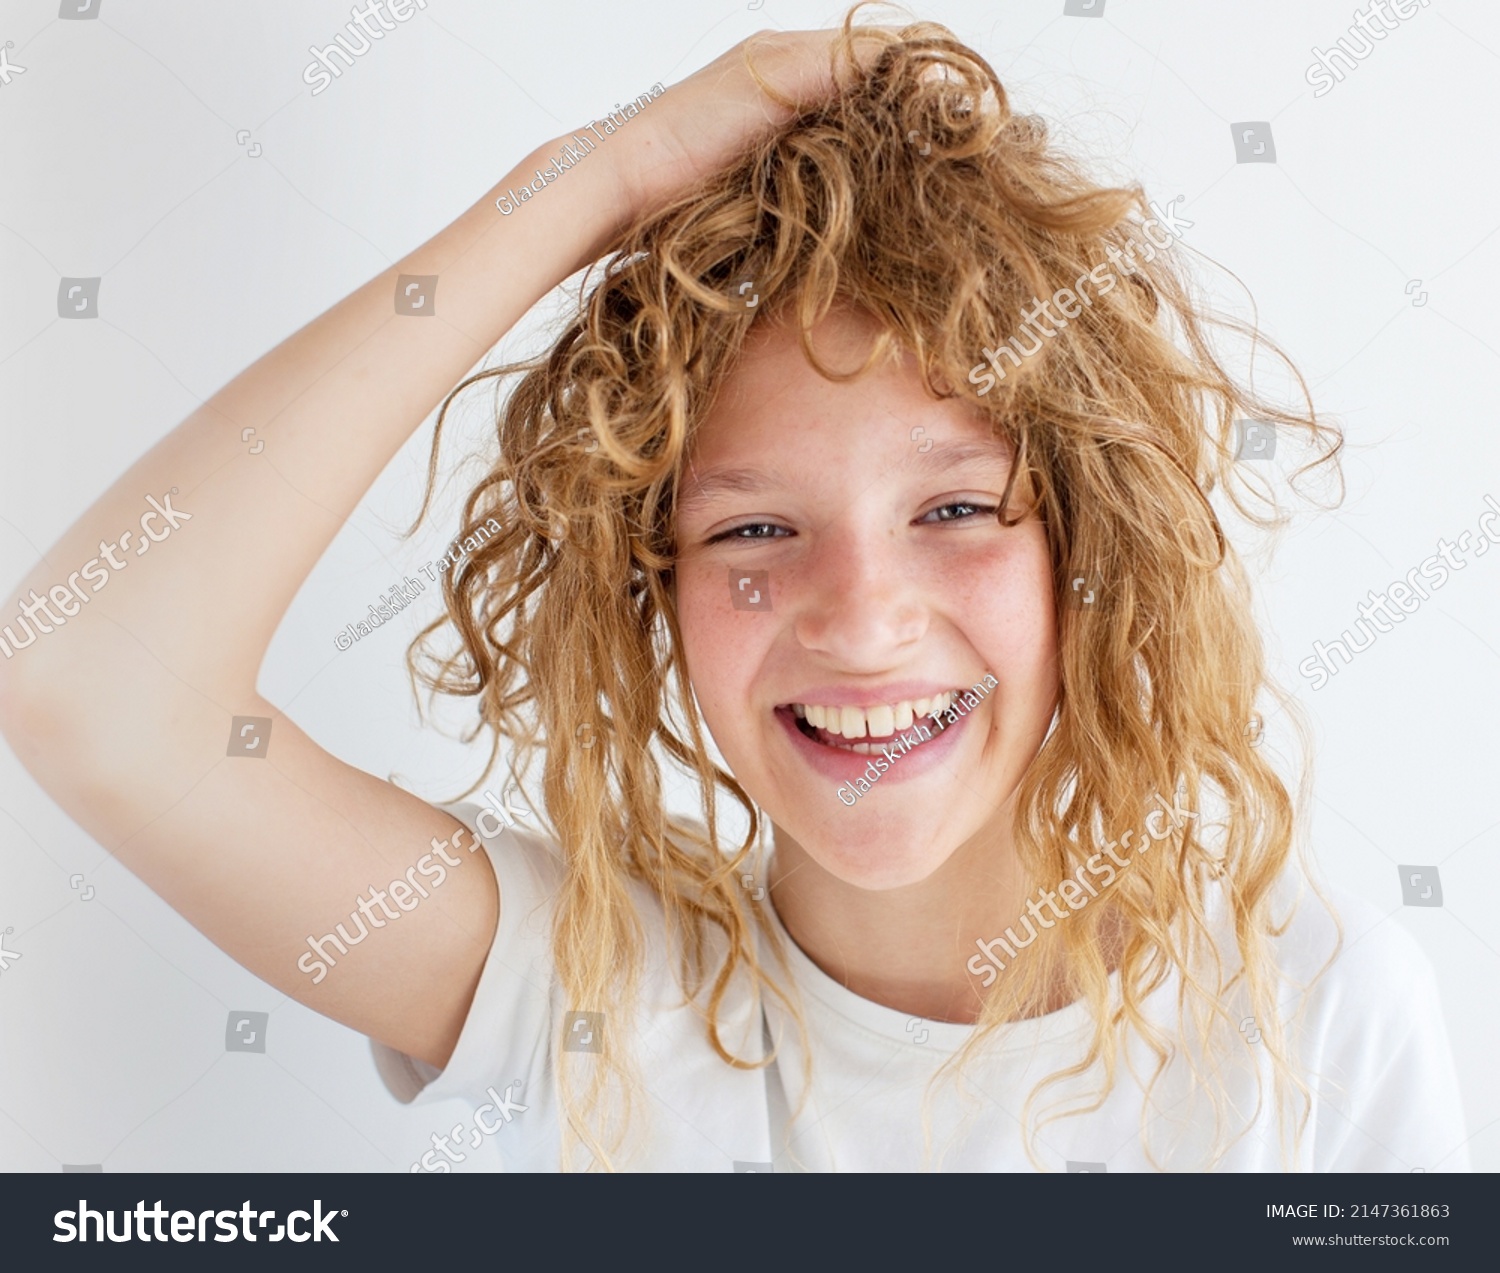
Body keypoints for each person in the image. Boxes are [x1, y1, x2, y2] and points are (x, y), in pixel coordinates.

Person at [0, 11, 1468, 1172]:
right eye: (754, 530)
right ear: (653, 595)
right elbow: (87, 679)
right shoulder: (578, 989)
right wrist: (600, 180)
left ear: (1092, 551)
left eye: (954, 507)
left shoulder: (1316, 1018)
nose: (863, 613)